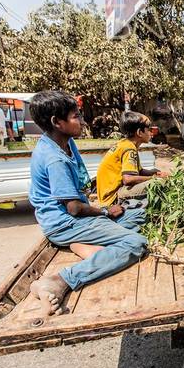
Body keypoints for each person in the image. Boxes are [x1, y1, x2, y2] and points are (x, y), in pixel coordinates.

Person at [27, 91, 147, 316]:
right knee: (136, 243)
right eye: (75, 116)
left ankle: (84, 246)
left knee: (140, 214)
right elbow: (74, 208)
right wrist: (103, 211)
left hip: (76, 217)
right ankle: (60, 280)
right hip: (66, 222)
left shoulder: (65, 142)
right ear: (57, 122)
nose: (82, 121)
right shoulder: (54, 159)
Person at [96, 111, 168, 207]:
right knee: (160, 183)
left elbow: (139, 171)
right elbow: (128, 179)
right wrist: (154, 177)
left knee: (156, 172)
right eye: (148, 129)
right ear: (139, 132)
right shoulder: (129, 149)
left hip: (111, 193)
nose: (151, 132)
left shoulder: (125, 143)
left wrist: (155, 173)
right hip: (113, 198)